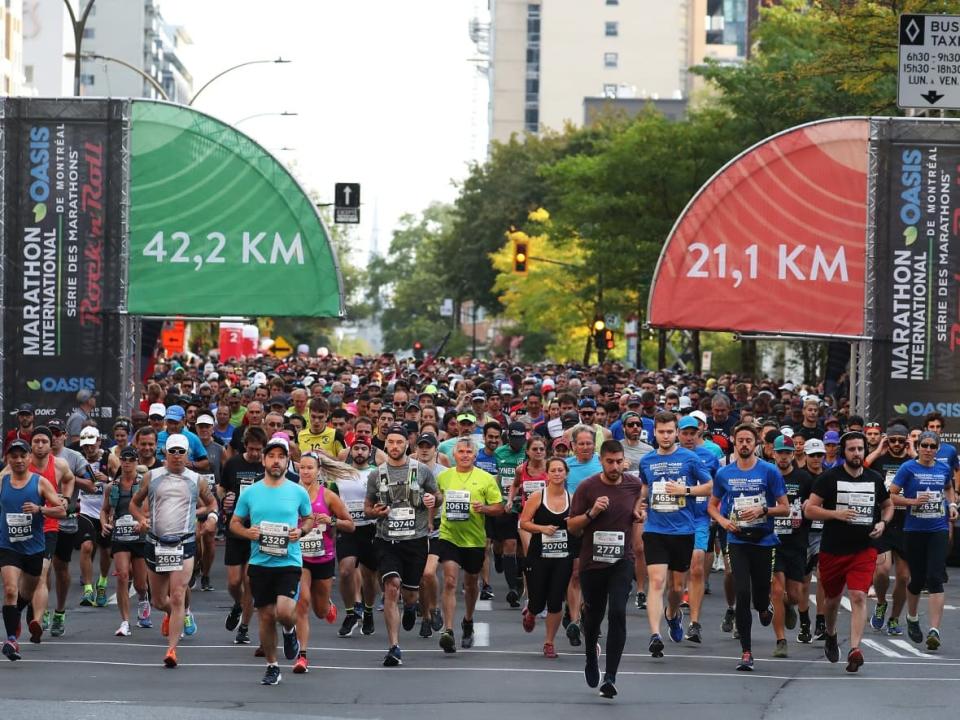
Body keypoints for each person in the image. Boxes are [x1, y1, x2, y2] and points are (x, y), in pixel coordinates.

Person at [805, 431, 893, 673]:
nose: (857, 453)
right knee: (832, 601)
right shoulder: (828, 478)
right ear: (843, 452)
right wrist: (835, 514)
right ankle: (831, 634)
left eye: (860, 449)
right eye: (852, 449)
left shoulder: (875, 478)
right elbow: (809, 510)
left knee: (858, 596)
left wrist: (882, 523)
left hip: (863, 549)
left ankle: (855, 648)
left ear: (866, 450)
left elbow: (888, 505)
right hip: (833, 550)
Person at [130, 434, 219, 668]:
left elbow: (212, 503)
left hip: (185, 542)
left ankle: (171, 649)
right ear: (165, 453)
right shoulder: (152, 477)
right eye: (173, 452)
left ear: (188, 454)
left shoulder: (196, 479)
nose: (177, 456)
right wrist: (141, 518)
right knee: (159, 600)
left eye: (181, 452)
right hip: (156, 542)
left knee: (178, 594)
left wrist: (210, 517)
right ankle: (176, 614)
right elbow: (134, 503)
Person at [230, 436, 314, 685]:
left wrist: (302, 531)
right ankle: (272, 665)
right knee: (266, 616)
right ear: (264, 460)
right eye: (272, 456)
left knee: (286, 612)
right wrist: (247, 533)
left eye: (281, 457)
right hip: (260, 562)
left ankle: (289, 631)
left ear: (288, 461)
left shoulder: (298, 491)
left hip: (288, 561)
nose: (276, 461)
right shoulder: (251, 492)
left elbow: (309, 519)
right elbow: (234, 523)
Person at [567, 439, 644, 699]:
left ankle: (610, 676)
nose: (614, 466)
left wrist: (638, 514)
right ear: (601, 461)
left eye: (618, 461)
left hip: (622, 560)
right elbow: (572, 527)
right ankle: (591, 657)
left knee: (618, 612)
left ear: (624, 460)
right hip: (592, 563)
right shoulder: (588, 487)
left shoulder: (633, 484)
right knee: (594, 616)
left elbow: (637, 505)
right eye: (609, 462)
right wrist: (592, 512)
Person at [709, 424, 788, 671]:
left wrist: (763, 509)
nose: (744, 444)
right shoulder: (725, 473)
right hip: (738, 540)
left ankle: (764, 608)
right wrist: (722, 521)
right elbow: (712, 505)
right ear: (734, 442)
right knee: (742, 594)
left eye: (748, 440)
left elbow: (785, 507)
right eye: (740, 440)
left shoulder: (769, 471)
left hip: (764, 540)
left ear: (756, 444)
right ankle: (746, 652)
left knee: (760, 596)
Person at [638, 412, 712, 657]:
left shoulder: (689, 458)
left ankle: (673, 614)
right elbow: (645, 487)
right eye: (661, 432)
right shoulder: (647, 460)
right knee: (657, 582)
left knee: (677, 587)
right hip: (655, 529)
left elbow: (710, 485)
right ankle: (655, 635)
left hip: (683, 529)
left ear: (676, 432)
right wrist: (639, 503)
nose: (666, 436)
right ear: (655, 433)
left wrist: (686, 490)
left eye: (670, 431)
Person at [364, 424, 438, 667]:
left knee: (409, 592)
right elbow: (367, 508)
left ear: (408, 444)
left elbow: (438, 496)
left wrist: (431, 499)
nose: (395, 446)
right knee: (391, 586)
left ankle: (411, 605)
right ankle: (394, 646)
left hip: (415, 540)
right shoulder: (377, 474)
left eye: (400, 442)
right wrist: (375, 511)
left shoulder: (422, 470)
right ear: (386, 444)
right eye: (391, 442)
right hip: (387, 540)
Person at [889, 430, 957, 651]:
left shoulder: (943, 468)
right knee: (916, 580)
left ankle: (934, 630)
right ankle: (911, 617)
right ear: (918, 447)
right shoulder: (908, 468)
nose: (928, 449)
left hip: (937, 528)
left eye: (932, 446)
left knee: (935, 577)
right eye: (924, 445)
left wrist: (952, 505)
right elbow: (891, 495)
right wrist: (912, 501)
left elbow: (948, 488)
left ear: (937, 449)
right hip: (913, 530)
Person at [434, 436, 503, 653]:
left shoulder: (485, 478)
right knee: (450, 581)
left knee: (471, 584)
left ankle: (468, 620)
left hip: (474, 539)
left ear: (475, 455)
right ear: (454, 455)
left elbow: (499, 507)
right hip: (449, 535)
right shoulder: (444, 477)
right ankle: (448, 630)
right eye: (461, 452)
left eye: (468, 452)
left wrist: (483, 508)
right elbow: (436, 500)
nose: (464, 455)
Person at [0, 440, 66, 661]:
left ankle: (17, 612)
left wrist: (40, 509)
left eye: (22, 456)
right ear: (8, 459)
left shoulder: (40, 483)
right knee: (10, 590)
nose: (18, 460)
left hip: (33, 548)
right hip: (8, 546)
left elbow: (61, 511)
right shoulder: (2, 481)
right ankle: (11, 639)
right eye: (14, 456)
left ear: (29, 458)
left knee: (25, 594)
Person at [292, 451, 354, 673]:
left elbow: (351, 524)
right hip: (299, 557)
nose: (306, 471)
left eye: (310, 468)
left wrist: (332, 520)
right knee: (302, 601)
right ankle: (302, 655)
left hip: (323, 557)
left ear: (318, 470)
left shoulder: (328, 496)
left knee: (319, 611)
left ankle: (327, 605)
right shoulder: (292, 493)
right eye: (303, 468)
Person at [519, 457, 574, 658]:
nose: (558, 473)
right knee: (537, 600)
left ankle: (549, 642)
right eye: (554, 470)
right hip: (538, 556)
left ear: (566, 473)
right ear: (547, 474)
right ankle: (531, 612)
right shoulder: (537, 496)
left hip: (563, 556)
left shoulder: (572, 498)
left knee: (555, 600)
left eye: (561, 470)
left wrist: (573, 523)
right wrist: (542, 528)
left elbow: (578, 527)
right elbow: (524, 522)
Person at [865, 423, 913, 636]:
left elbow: (930, 468)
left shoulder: (912, 461)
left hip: (906, 523)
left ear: (906, 441)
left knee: (903, 578)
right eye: (892, 440)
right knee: (882, 571)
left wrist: (913, 451)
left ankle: (894, 618)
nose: (896, 444)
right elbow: (859, 470)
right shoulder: (879, 460)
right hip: (884, 520)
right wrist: (877, 450)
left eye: (900, 441)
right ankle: (882, 602)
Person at [219, 426, 266, 645]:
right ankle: (237, 605)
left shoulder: (267, 466)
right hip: (237, 528)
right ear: (245, 446)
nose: (256, 454)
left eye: (260, 450)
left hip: (258, 531)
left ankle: (244, 627)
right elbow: (222, 488)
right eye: (252, 449)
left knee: (250, 582)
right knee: (234, 582)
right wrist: (225, 499)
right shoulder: (233, 464)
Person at [769, 435, 813, 658]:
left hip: (796, 542)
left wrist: (810, 504)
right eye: (780, 453)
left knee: (795, 595)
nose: (784, 457)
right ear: (773, 454)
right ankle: (781, 640)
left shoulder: (804, 478)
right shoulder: (767, 475)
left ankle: (788, 606)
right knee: (776, 591)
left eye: (787, 453)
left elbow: (815, 501)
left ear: (793, 454)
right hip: (772, 541)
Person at [99, 446, 149, 637]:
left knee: (141, 584)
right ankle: (125, 622)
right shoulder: (112, 487)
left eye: (131, 459)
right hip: (120, 535)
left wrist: (143, 522)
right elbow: (104, 510)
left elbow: (150, 509)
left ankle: (143, 599)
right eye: (124, 459)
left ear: (137, 462)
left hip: (139, 536)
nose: (127, 463)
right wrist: (104, 524)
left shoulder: (143, 485)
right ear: (120, 461)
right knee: (122, 576)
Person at [336, 439, 380, 638]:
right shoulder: (340, 472)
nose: (360, 452)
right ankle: (351, 612)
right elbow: (329, 494)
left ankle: (368, 610)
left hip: (370, 528)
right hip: (348, 528)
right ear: (350, 451)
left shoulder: (376, 473)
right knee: (345, 571)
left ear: (369, 452)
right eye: (356, 448)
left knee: (370, 577)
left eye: (364, 449)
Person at [75, 426, 119, 608]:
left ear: (99, 442)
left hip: (104, 511)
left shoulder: (110, 458)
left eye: (92, 445)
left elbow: (123, 482)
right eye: (85, 446)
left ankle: (101, 583)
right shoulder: (78, 460)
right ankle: (87, 588)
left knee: (106, 551)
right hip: (85, 509)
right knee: (86, 547)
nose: (89, 449)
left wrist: (107, 479)